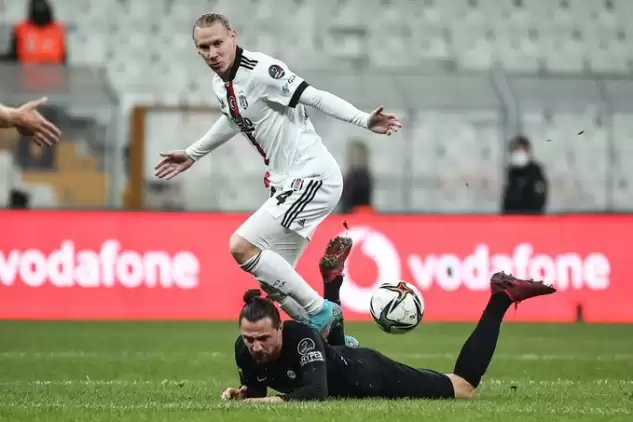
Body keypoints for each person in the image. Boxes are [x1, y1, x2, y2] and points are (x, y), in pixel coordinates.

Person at [154, 12, 402, 337]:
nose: (213, 53)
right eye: (204, 47)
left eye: (217, 43)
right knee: (273, 282)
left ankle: (321, 311)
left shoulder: (261, 71)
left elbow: (314, 96)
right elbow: (233, 119)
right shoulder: (221, 84)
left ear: (233, 36)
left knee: (242, 246)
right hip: (287, 181)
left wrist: (363, 120)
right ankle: (332, 344)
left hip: (312, 176)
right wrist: (192, 153)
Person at [222, 271, 556, 402]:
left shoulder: (301, 338)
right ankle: (333, 283)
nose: (255, 346)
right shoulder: (245, 349)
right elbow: (256, 391)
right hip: (340, 361)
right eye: (249, 339)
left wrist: (261, 401)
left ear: (280, 326)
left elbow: (316, 393)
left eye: (263, 337)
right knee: (335, 354)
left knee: (463, 388)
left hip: (369, 375)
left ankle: (500, 298)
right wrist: (242, 395)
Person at [502, 135, 548, 214]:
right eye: (516, 150)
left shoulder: (535, 170)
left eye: (521, 150)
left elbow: (540, 195)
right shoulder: (512, 171)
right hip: (512, 215)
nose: (518, 153)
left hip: (532, 216)